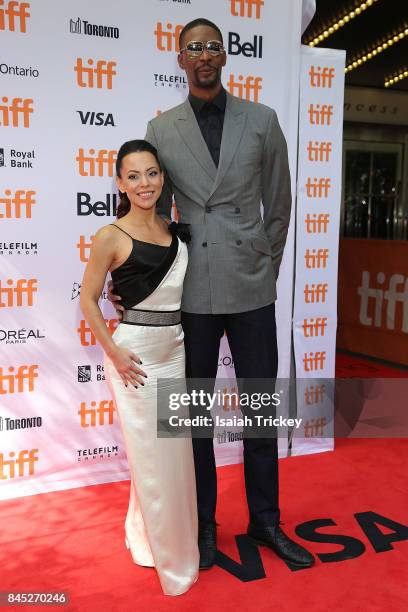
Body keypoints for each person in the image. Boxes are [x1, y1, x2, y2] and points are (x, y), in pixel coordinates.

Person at [110, 18, 314, 570]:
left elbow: (280, 202)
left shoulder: (263, 120)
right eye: (193, 47)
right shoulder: (162, 127)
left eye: (213, 46)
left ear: (225, 56)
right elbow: (151, 213)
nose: (204, 55)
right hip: (192, 289)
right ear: (180, 60)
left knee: (259, 410)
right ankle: (203, 526)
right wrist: (138, 280)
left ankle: (266, 521)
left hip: (251, 283)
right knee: (193, 419)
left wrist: (265, 264)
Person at [80, 139, 199, 596]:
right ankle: (173, 560)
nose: (144, 183)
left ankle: (146, 536)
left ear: (162, 177)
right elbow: (89, 299)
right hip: (136, 359)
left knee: (171, 456)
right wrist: (113, 351)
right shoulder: (111, 235)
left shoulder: (175, 230)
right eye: (133, 176)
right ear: (120, 183)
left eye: (151, 173)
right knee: (153, 461)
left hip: (176, 351)